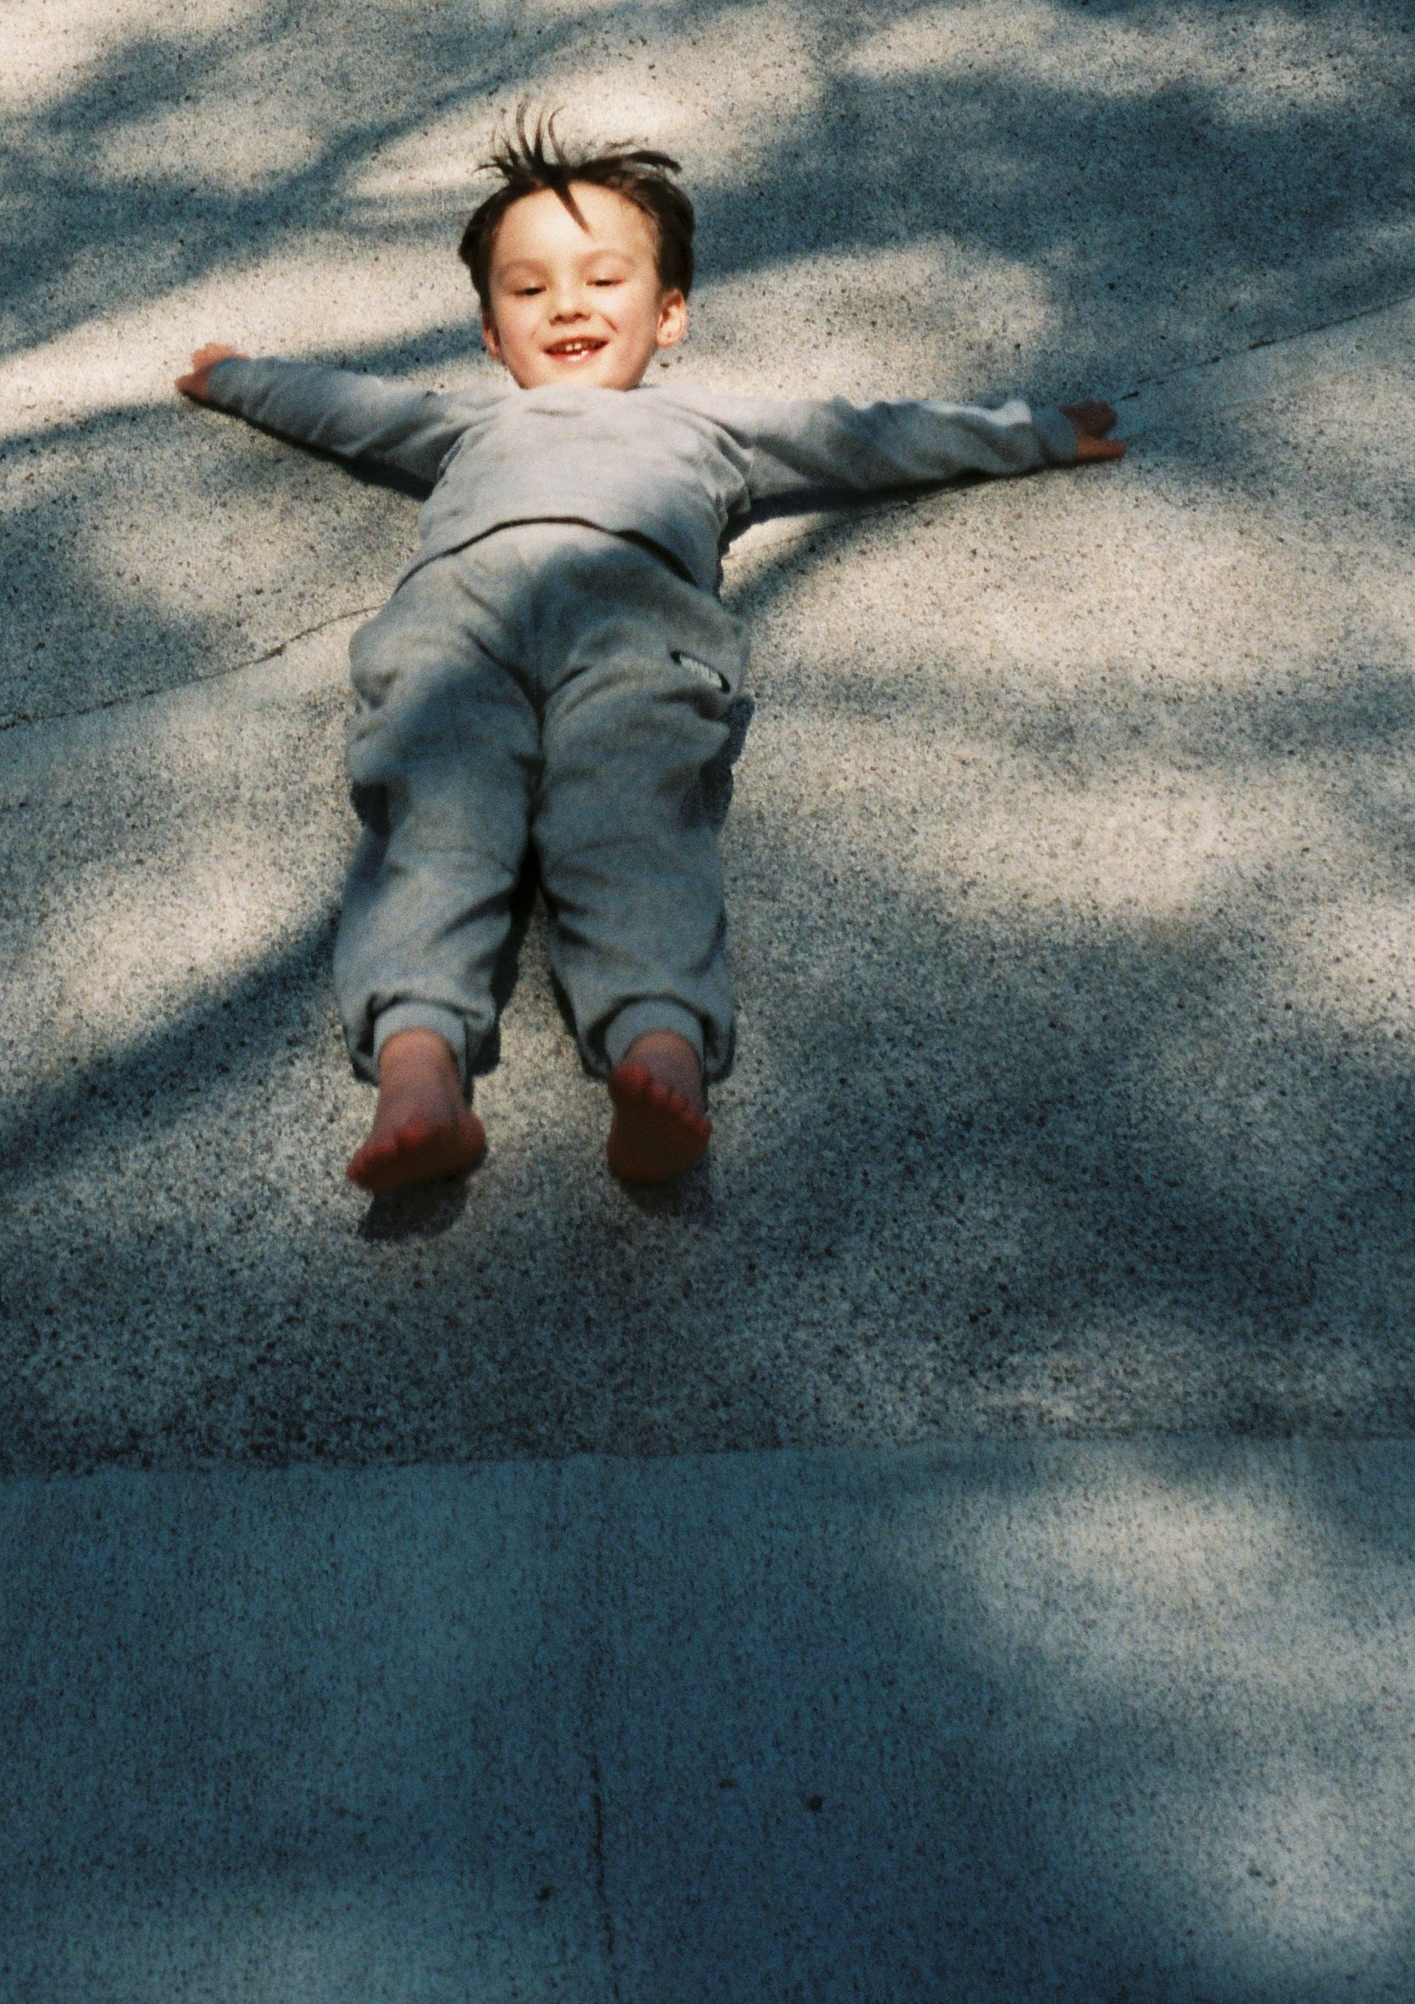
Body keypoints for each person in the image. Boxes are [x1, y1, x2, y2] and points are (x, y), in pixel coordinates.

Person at [177, 115, 1123, 1196]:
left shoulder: (707, 421)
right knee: (434, 824)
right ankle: (418, 1072)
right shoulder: (471, 420)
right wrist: (238, 376)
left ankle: (659, 1053)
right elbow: (349, 408)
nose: (566, 305)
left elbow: (864, 436)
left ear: (668, 312)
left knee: (631, 820)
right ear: (489, 332)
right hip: (455, 625)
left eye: (602, 278)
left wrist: (1035, 432)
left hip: (636, 619)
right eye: (527, 289)